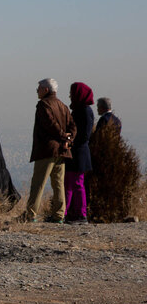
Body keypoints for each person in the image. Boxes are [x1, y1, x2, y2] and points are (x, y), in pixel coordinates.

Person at [22, 78, 75, 223]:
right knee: (58, 184)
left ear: (46, 90)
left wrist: (62, 135)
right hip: (62, 151)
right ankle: (59, 215)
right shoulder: (63, 106)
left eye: (39, 88)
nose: (37, 90)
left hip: (47, 150)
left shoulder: (43, 105)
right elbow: (72, 126)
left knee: (38, 183)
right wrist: (68, 140)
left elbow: (49, 123)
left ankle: (31, 214)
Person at [65, 82, 94, 225]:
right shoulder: (79, 110)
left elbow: (84, 135)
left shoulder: (84, 111)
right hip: (76, 153)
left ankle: (80, 214)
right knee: (71, 183)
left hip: (79, 154)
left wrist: (70, 141)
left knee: (76, 183)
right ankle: (70, 213)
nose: (70, 95)